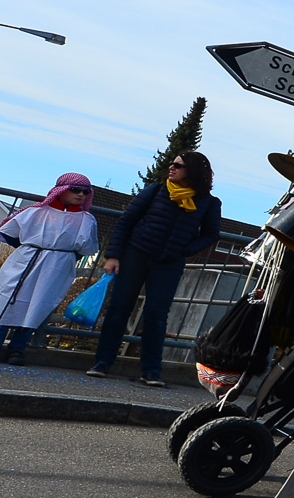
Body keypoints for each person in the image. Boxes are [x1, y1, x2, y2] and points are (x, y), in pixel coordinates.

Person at [87, 153, 220, 385]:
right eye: (172, 163)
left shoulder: (208, 203)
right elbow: (126, 222)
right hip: (135, 254)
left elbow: (211, 234)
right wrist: (113, 255)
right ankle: (102, 362)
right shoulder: (156, 190)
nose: (171, 167)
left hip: (169, 262)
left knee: (157, 316)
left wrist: (184, 249)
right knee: (119, 309)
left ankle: (151, 371)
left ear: (194, 171)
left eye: (178, 165)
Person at [0, 174, 98, 364]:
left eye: (85, 192)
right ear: (60, 190)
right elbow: (9, 232)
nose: (81, 195)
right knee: (7, 299)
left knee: (38, 303)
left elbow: (87, 247)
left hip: (56, 266)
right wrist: (31, 247)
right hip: (25, 259)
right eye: (75, 190)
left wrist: (63, 254)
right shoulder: (35, 212)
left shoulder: (86, 219)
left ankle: (18, 348)